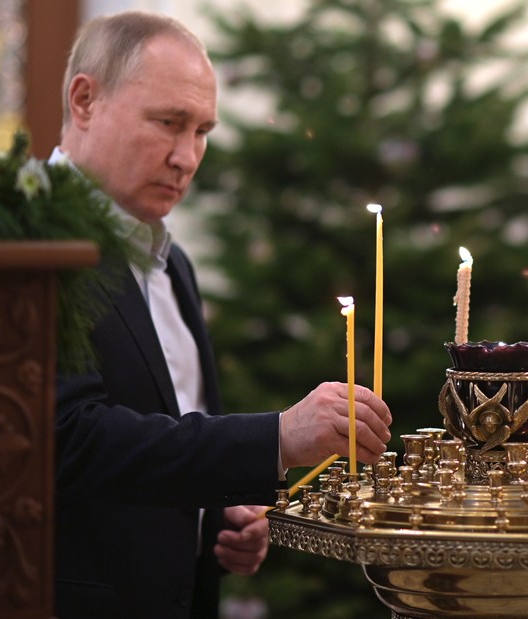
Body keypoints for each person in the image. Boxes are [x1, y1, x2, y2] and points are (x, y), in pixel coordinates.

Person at [52, 11, 392, 619]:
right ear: (85, 100)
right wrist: (277, 439)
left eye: (203, 130)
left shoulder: (171, 259)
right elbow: (69, 440)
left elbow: (170, 424)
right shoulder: (26, 243)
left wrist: (219, 509)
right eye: (168, 123)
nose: (187, 157)